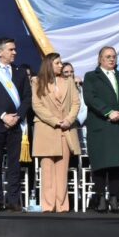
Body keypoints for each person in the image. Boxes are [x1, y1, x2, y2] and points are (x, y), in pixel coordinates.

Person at [0, 37, 32, 212]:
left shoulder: (20, 72)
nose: (14, 52)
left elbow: (27, 98)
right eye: (11, 49)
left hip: (15, 125)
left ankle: (14, 200)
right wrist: (3, 116)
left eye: (15, 49)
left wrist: (17, 117)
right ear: (0, 52)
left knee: (14, 166)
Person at [82, 46, 119, 213]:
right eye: (107, 56)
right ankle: (99, 198)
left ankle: (114, 198)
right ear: (100, 59)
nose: (111, 59)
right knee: (100, 163)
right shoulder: (91, 76)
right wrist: (108, 111)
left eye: (113, 56)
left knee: (116, 164)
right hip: (100, 125)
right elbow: (90, 98)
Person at [31, 53, 81, 212]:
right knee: (47, 169)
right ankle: (48, 205)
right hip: (47, 129)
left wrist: (68, 119)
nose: (61, 65)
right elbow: (37, 105)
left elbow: (75, 103)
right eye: (57, 63)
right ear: (49, 65)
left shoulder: (68, 82)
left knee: (62, 168)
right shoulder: (38, 82)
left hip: (65, 129)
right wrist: (54, 120)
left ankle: (62, 205)